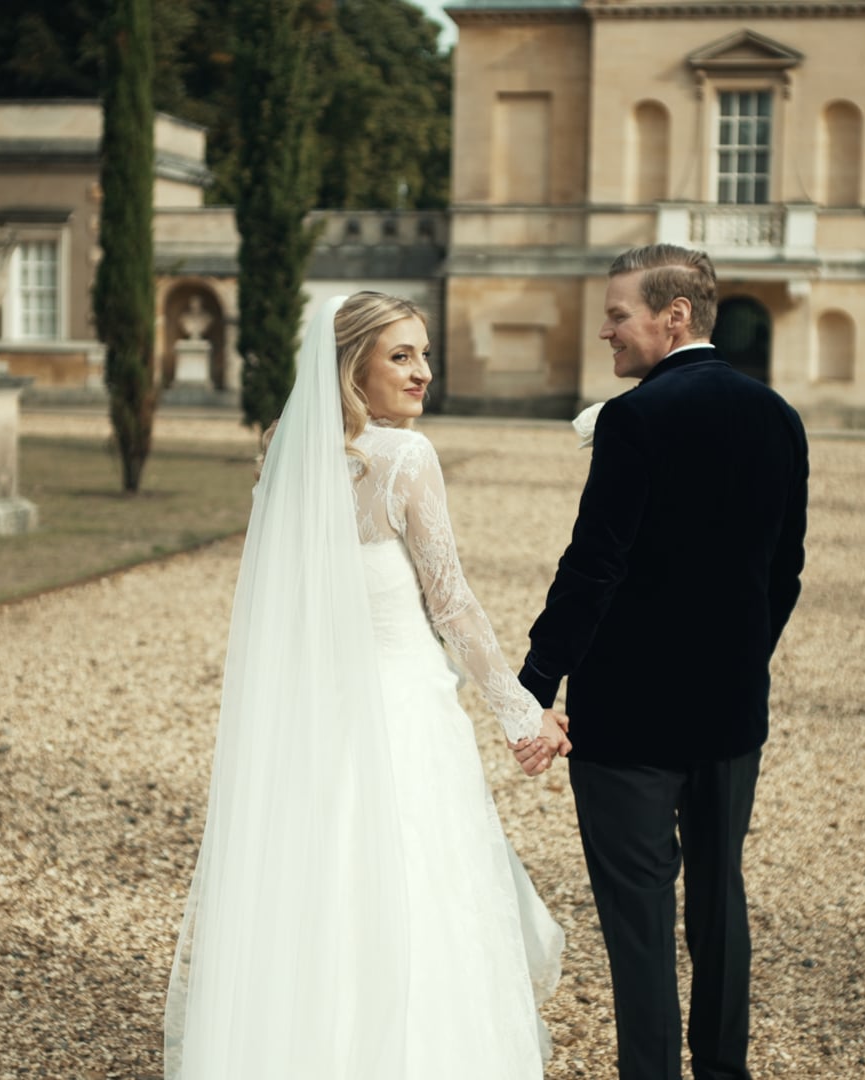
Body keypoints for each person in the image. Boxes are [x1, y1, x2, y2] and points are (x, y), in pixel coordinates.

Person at [164, 292, 572, 1080]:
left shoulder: (286, 445)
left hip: (315, 719)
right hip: (400, 715)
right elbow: (451, 602)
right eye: (401, 356)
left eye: (423, 353)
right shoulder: (404, 458)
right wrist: (523, 717)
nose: (423, 371)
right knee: (415, 895)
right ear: (353, 366)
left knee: (324, 891)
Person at [516, 244, 809, 1080]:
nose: (605, 330)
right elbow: (783, 570)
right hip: (729, 715)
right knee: (720, 903)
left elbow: (594, 566)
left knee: (640, 922)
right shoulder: (778, 416)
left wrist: (531, 684)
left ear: (673, 316)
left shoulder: (636, 418)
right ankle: (724, 1072)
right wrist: (743, 662)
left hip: (629, 722)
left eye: (618, 314)